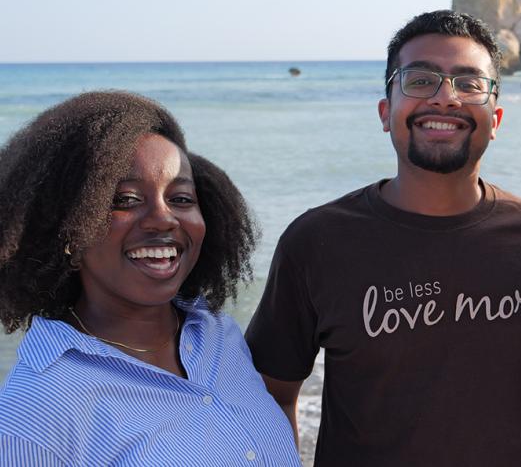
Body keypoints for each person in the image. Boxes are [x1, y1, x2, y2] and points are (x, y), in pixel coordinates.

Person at [245, 10, 521, 466]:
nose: (445, 98)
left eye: (468, 83)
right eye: (419, 80)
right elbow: (271, 397)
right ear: (385, 111)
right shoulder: (317, 241)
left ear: (495, 118)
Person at [0, 91, 300, 465]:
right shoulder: (38, 408)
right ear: (67, 231)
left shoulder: (217, 335)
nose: (163, 219)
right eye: (124, 200)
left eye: (181, 198)